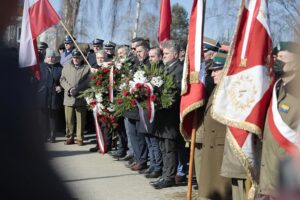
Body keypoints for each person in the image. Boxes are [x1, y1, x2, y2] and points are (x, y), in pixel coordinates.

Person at [256, 42, 299, 199]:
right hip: (266, 179)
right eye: (276, 57)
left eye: (281, 57)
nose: (276, 61)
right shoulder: (275, 89)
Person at [197, 53, 232, 199]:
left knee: (221, 191)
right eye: (212, 70)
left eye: (217, 70)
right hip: (211, 144)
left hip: (221, 147)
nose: (213, 74)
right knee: (210, 190)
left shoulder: (230, 90)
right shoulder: (217, 89)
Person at [150, 40, 183, 189]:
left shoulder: (178, 69)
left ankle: (169, 177)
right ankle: (165, 174)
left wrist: (159, 99)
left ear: (175, 55)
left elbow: (173, 93)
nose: (163, 56)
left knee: (169, 148)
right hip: (162, 115)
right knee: (163, 147)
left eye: (167, 53)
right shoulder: (164, 68)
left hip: (170, 115)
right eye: (163, 53)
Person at [60, 49, 91, 146]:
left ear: (81, 57)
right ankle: (69, 137)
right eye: (74, 57)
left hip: (80, 96)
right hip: (69, 97)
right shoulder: (66, 67)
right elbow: (62, 80)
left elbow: (88, 81)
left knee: (81, 119)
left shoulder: (86, 68)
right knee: (69, 120)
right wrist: (69, 89)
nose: (75, 59)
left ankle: (80, 138)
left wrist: (77, 89)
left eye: (77, 57)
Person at [37, 48, 64, 143]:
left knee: (52, 117)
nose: (50, 59)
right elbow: (37, 80)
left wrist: (60, 86)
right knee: (43, 117)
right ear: (45, 58)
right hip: (43, 95)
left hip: (54, 95)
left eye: (52, 57)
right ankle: (44, 135)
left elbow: (63, 80)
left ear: (55, 58)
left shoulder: (59, 67)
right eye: (48, 57)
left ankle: (53, 136)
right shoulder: (40, 67)